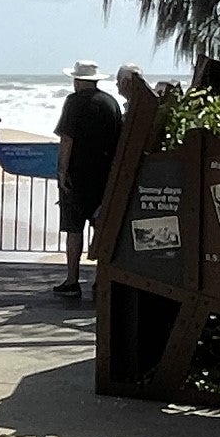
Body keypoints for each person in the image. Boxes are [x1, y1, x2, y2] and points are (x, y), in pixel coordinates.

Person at [52, 60, 124, 298]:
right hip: (105, 177)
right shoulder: (111, 102)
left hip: (77, 177)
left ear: (77, 80)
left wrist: (62, 172)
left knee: (74, 230)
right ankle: (100, 280)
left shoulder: (74, 102)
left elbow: (67, 139)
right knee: (100, 228)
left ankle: (72, 280)